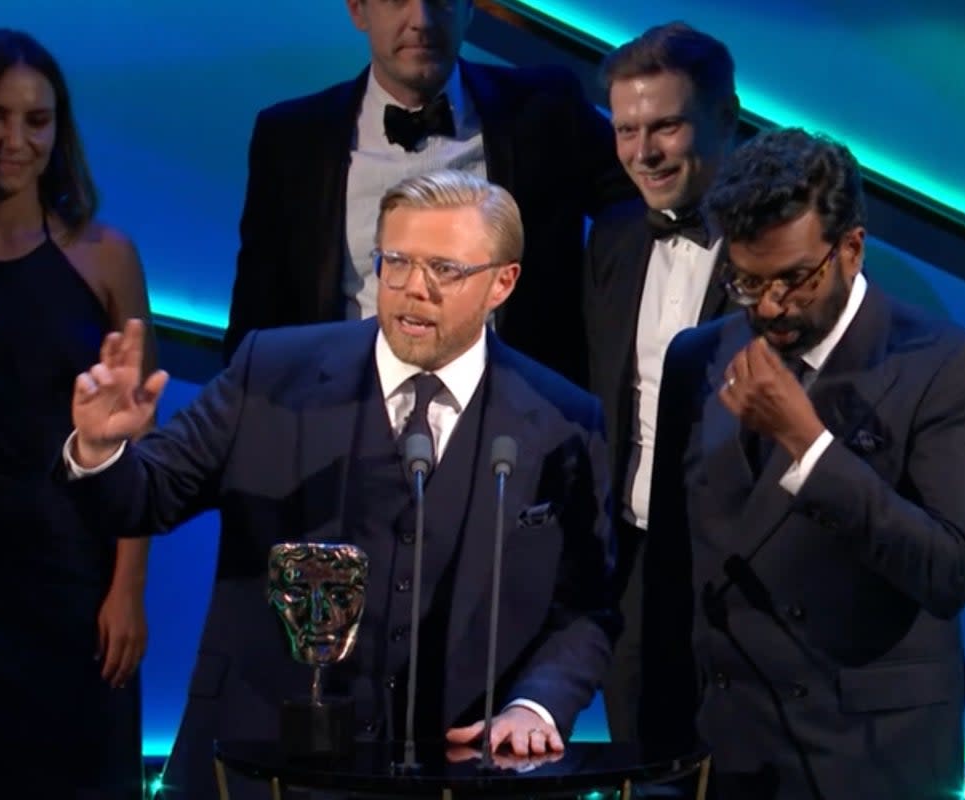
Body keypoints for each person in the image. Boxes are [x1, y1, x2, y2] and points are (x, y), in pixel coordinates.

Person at [64, 170, 617, 800]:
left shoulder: (562, 417)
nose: (415, 289)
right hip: (260, 762)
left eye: (445, 270)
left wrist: (536, 708)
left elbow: (585, 611)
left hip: (456, 770)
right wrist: (101, 449)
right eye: (397, 262)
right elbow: (145, 496)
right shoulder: (271, 371)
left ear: (502, 282)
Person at [639, 128, 965, 800]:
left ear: (852, 250)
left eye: (792, 279)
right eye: (746, 280)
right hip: (724, 754)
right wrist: (657, 750)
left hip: (868, 759)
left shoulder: (947, 364)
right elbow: (669, 575)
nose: (770, 305)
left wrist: (811, 448)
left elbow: (949, 571)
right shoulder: (697, 357)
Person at [0, 28, 155, 797]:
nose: (14, 140)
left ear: (59, 130)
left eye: (36, 120)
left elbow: (136, 446)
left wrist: (128, 589)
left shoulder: (106, 255)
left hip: (78, 590)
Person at [222, 0, 634, 385]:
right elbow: (256, 318)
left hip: (515, 422)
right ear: (357, 9)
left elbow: (646, 206)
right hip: (341, 421)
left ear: (469, 8)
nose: (421, 19)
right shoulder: (292, 139)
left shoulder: (544, 110)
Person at [583, 21, 739, 742]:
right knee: (641, 760)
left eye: (667, 126)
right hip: (637, 564)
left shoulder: (784, 244)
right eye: (625, 130)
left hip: (746, 562)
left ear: (724, 119)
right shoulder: (612, 236)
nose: (642, 153)